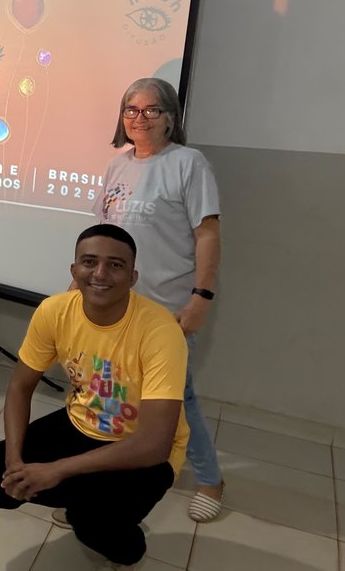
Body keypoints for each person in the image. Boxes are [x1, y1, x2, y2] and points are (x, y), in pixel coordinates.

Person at [0, 225, 189, 570]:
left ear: (132, 277)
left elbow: (154, 445)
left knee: (94, 525)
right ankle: (86, 499)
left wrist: (56, 471)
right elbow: (20, 386)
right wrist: (15, 462)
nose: (100, 273)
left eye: (115, 265)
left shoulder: (160, 330)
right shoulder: (54, 311)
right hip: (79, 423)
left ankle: (121, 542)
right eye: (89, 262)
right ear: (74, 270)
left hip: (141, 448)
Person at [96, 77, 224, 523]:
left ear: (171, 117)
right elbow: (101, 239)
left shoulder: (188, 163)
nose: (141, 118)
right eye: (132, 109)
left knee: (176, 400)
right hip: (115, 309)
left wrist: (201, 298)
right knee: (111, 396)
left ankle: (210, 480)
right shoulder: (117, 166)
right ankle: (110, 477)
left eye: (152, 110)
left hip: (167, 311)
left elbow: (208, 235)